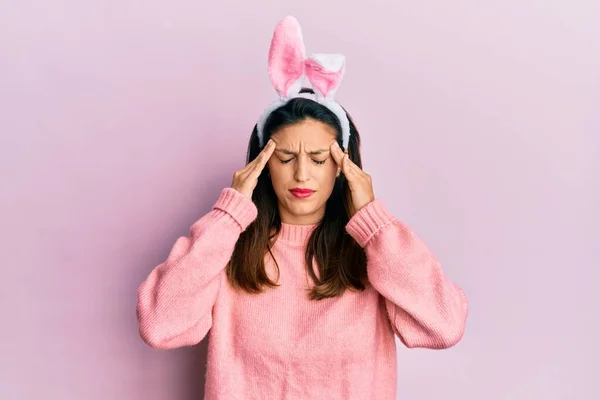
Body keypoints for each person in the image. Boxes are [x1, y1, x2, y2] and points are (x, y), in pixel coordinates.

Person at [136, 16, 468, 400]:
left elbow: (444, 325)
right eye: (286, 157)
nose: (301, 173)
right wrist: (227, 218)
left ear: (343, 167)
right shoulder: (228, 248)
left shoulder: (374, 254)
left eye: (318, 158)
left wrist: (376, 226)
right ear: (262, 164)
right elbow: (160, 325)